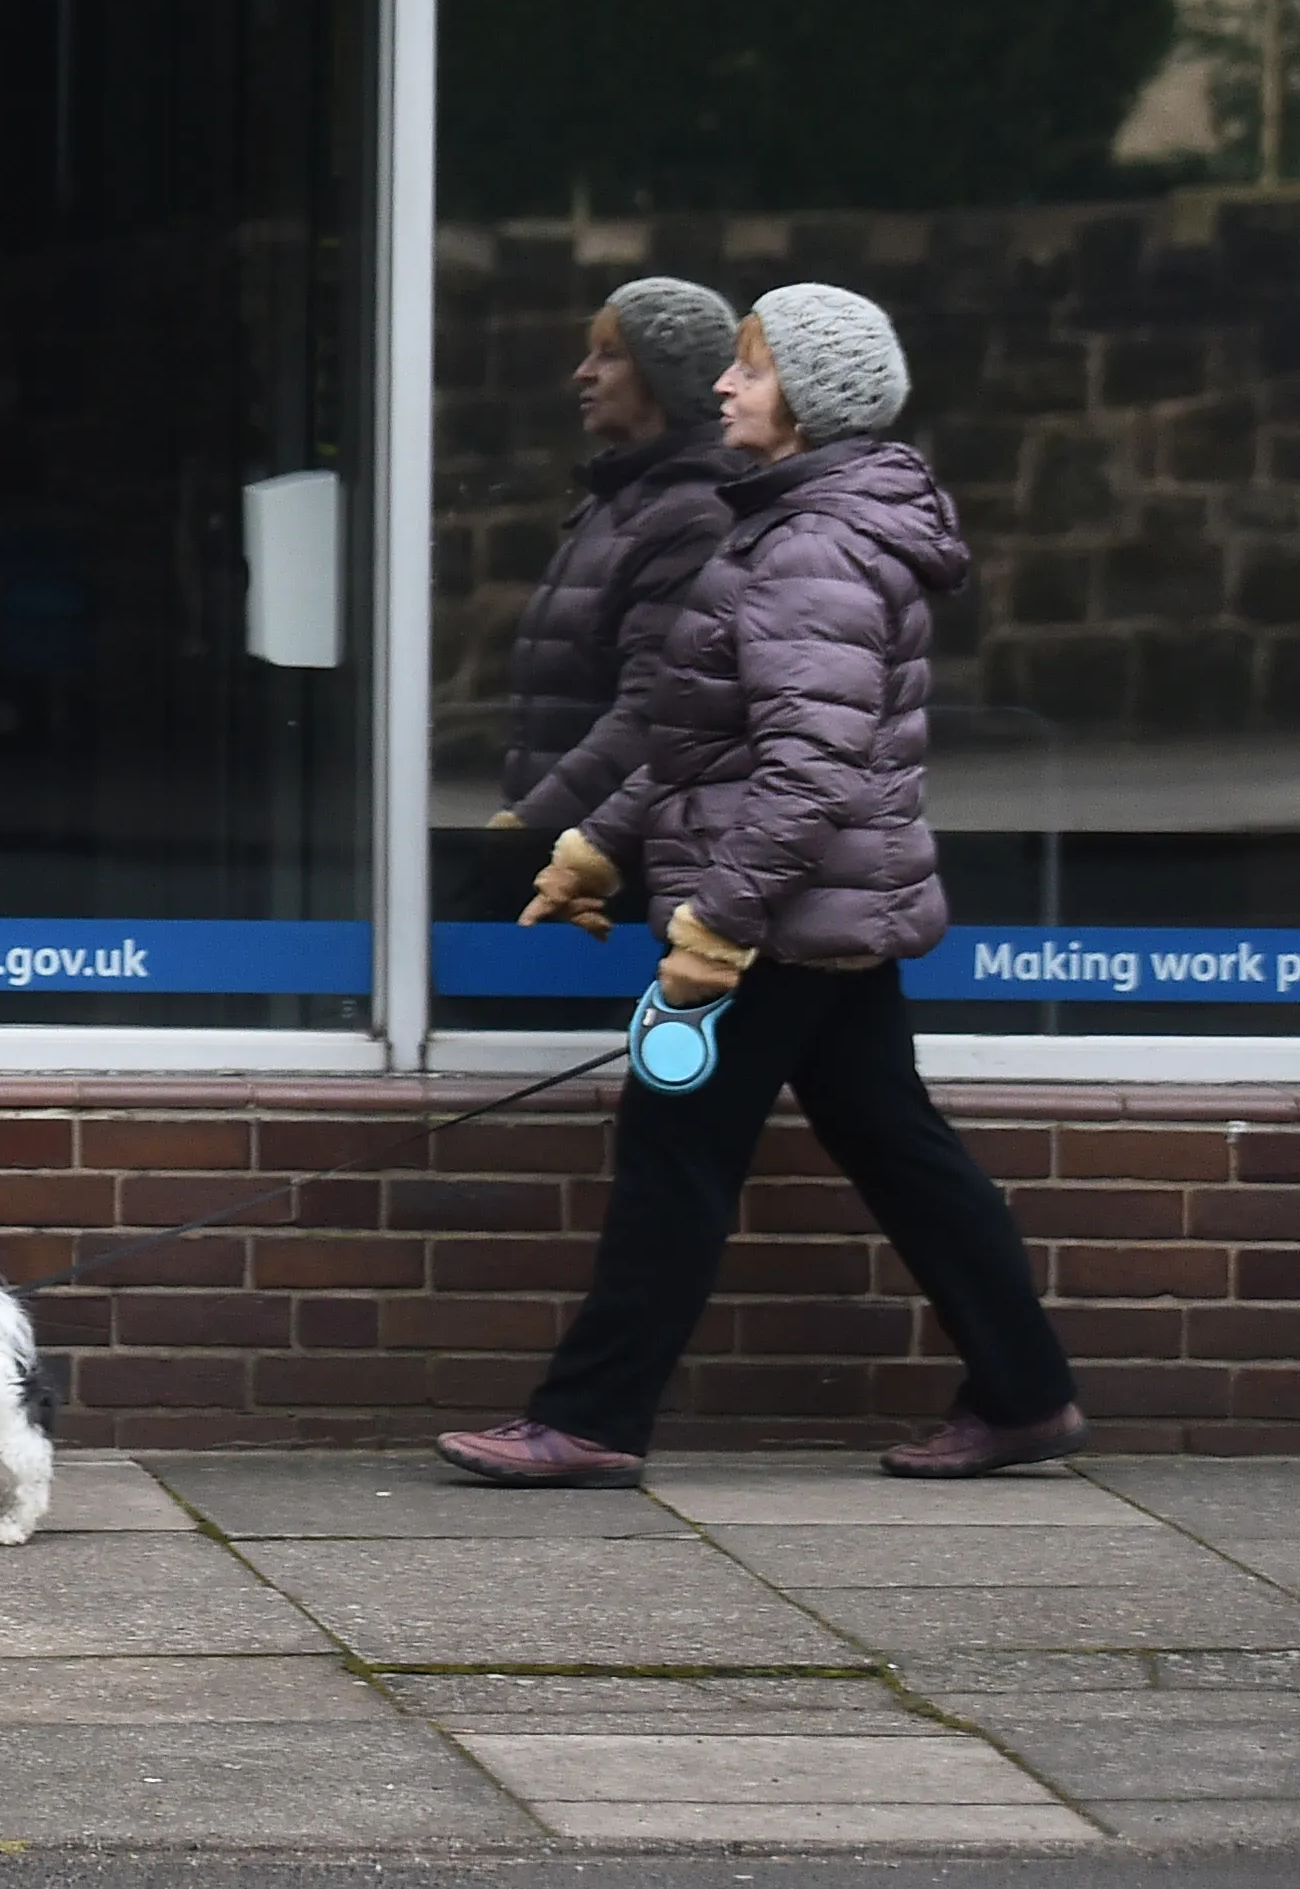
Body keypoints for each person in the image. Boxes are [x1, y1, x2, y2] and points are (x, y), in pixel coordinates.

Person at [444, 285, 1086, 1489]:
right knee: (898, 1146)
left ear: (809, 400)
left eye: (750, 370)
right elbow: (709, 740)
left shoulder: (811, 547)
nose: (727, 389)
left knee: (670, 1152)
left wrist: (714, 928)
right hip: (817, 909)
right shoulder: (786, 525)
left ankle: (586, 1418)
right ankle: (1025, 1392)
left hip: (779, 919)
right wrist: (597, 845)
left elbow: (807, 767)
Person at [490, 278, 748, 844]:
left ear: (665, 380)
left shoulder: (694, 520)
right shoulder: (616, 504)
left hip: (614, 860)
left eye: (610, 356)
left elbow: (656, 711)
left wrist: (530, 826)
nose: (583, 373)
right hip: (569, 843)